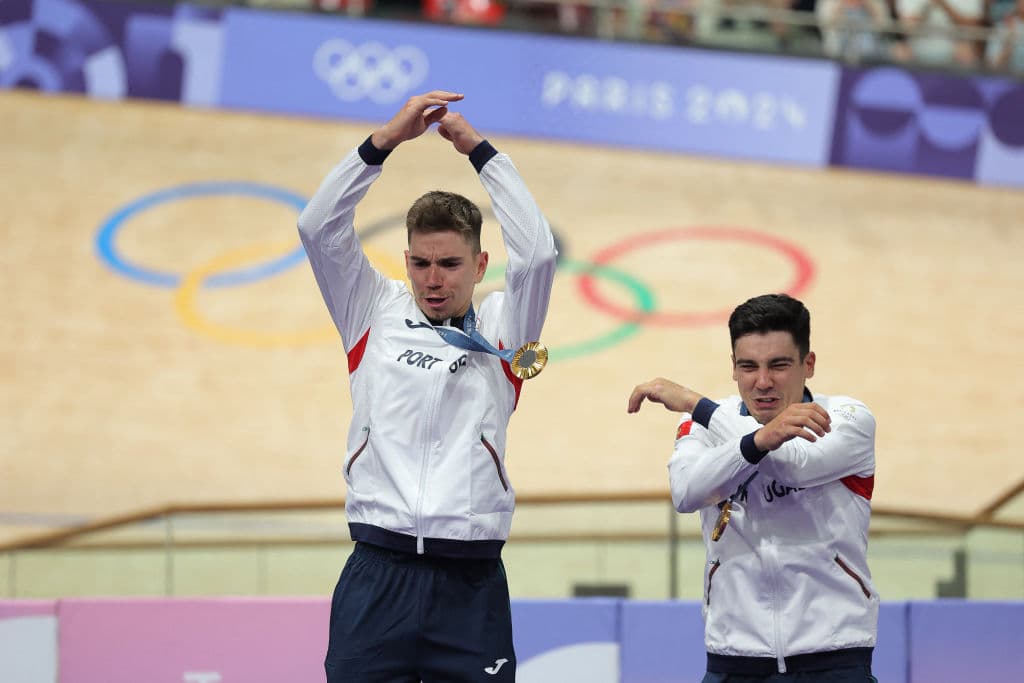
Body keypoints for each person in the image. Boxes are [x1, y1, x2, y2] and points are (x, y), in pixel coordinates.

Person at [297, 90, 557, 683]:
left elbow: (539, 255)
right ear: (406, 259)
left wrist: (481, 153)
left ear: (481, 264)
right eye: (420, 263)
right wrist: (384, 140)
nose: (432, 280)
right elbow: (318, 226)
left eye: (450, 264)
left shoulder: (505, 329)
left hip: (470, 584)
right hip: (376, 574)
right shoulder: (372, 308)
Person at [628, 293, 878, 682]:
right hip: (734, 656)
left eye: (778, 365)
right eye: (748, 366)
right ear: (733, 368)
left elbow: (797, 467)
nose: (763, 382)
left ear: (808, 364)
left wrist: (697, 403)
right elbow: (686, 492)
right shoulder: (702, 426)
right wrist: (757, 438)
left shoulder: (847, 418)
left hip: (836, 654)